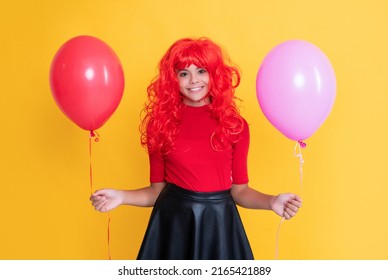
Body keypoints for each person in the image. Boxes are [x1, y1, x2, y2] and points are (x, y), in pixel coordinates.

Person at [90, 37, 302, 260]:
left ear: (215, 75)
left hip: (220, 224)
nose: (193, 80)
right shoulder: (160, 125)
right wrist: (120, 196)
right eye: (183, 73)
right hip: (174, 225)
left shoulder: (235, 126)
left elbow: (240, 191)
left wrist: (271, 201)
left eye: (201, 71)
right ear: (173, 79)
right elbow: (156, 192)